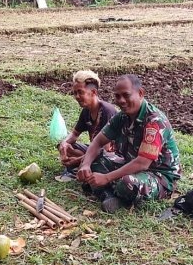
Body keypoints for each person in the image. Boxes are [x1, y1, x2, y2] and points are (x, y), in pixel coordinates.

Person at [77, 74, 181, 213]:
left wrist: (107, 177)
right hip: (130, 165)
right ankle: (109, 195)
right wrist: (85, 165)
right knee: (92, 159)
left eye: (126, 95)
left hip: (158, 175)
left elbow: (142, 163)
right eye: (117, 96)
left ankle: (106, 191)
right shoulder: (122, 117)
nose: (121, 100)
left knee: (127, 183)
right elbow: (98, 141)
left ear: (140, 93)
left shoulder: (154, 121)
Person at [56, 70, 117, 182]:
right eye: (75, 93)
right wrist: (64, 143)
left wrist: (77, 161)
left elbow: (104, 150)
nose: (77, 96)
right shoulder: (86, 111)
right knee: (67, 147)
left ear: (93, 92)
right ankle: (81, 165)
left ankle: (81, 166)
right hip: (94, 150)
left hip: (110, 154)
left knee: (99, 159)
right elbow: (74, 134)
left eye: (80, 92)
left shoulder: (107, 111)